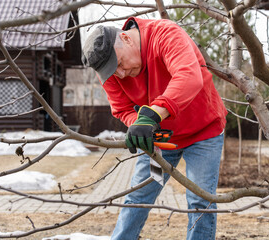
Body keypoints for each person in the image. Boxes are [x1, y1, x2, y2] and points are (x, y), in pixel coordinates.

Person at [82, 17, 227, 240]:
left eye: (120, 64)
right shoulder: (108, 69)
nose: (120, 74)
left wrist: (152, 115)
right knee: (139, 196)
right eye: (113, 72)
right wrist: (138, 125)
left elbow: (189, 76)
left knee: (200, 201)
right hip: (160, 140)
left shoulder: (164, 34)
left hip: (203, 134)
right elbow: (122, 109)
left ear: (126, 38)